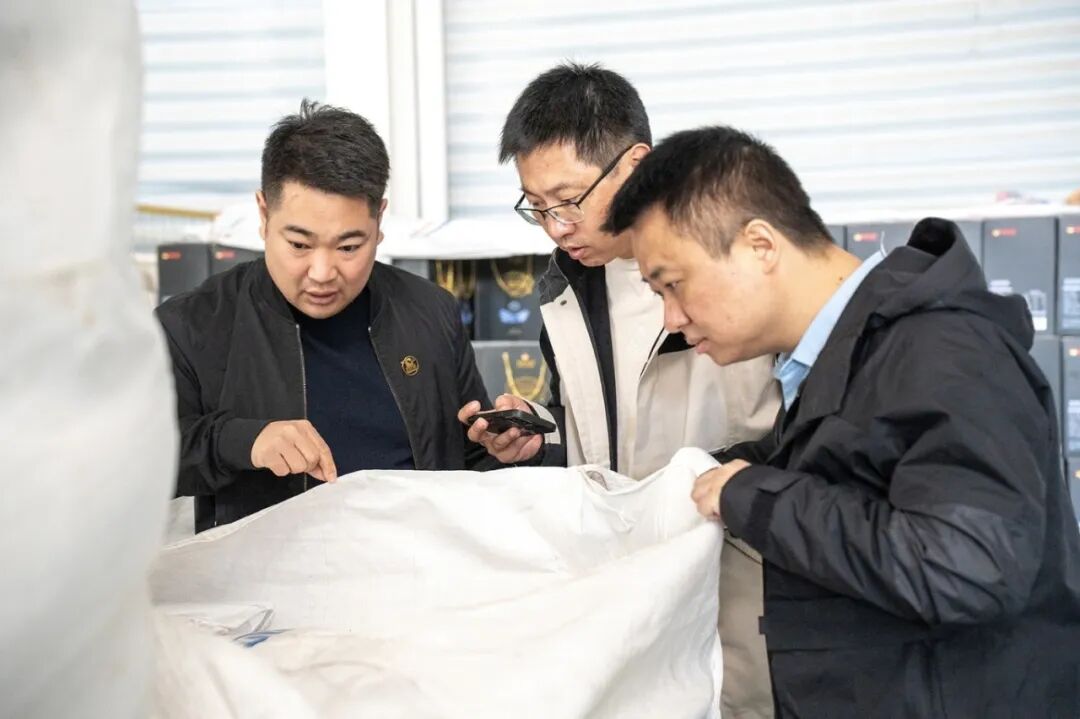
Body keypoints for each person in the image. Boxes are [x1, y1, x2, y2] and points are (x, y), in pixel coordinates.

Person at [607, 125, 1080, 717]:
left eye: (673, 285)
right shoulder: (840, 361)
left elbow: (967, 566)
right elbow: (853, 475)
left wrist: (755, 496)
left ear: (760, 245)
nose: (671, 318)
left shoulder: (942, 351)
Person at [457, 63, 781, 717]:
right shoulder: (568, 287)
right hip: (623, 586)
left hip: (738, 582)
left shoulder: (736, 261)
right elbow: (598, 431)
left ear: (635, 165)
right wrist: (539, 434)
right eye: (536, 207)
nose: (555, 226)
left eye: (567, 200)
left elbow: (798, 432)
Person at [157, 100, 495, 532]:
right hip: (273, 569)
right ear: (264, 214)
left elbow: (472, 459)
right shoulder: (192, 325)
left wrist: (507, 445)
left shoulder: (432, 311)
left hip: (418, 558)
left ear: (379, 220)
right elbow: (144, 463)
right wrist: (243, 441)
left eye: (349, 247)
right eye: (299, 245)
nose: (322, 273)